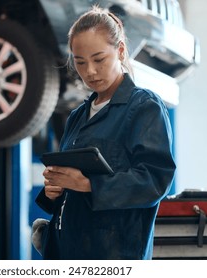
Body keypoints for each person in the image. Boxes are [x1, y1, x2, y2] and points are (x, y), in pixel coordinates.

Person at [35, 5, 176, 260]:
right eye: (80, 62)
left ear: (120, 51)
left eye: (99, 59)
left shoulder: (144, 108)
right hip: (65, 252)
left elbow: (155, 180)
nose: (89, 71)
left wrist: (90, 185)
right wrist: (54, 189)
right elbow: (72, 186)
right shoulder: (78, 116)